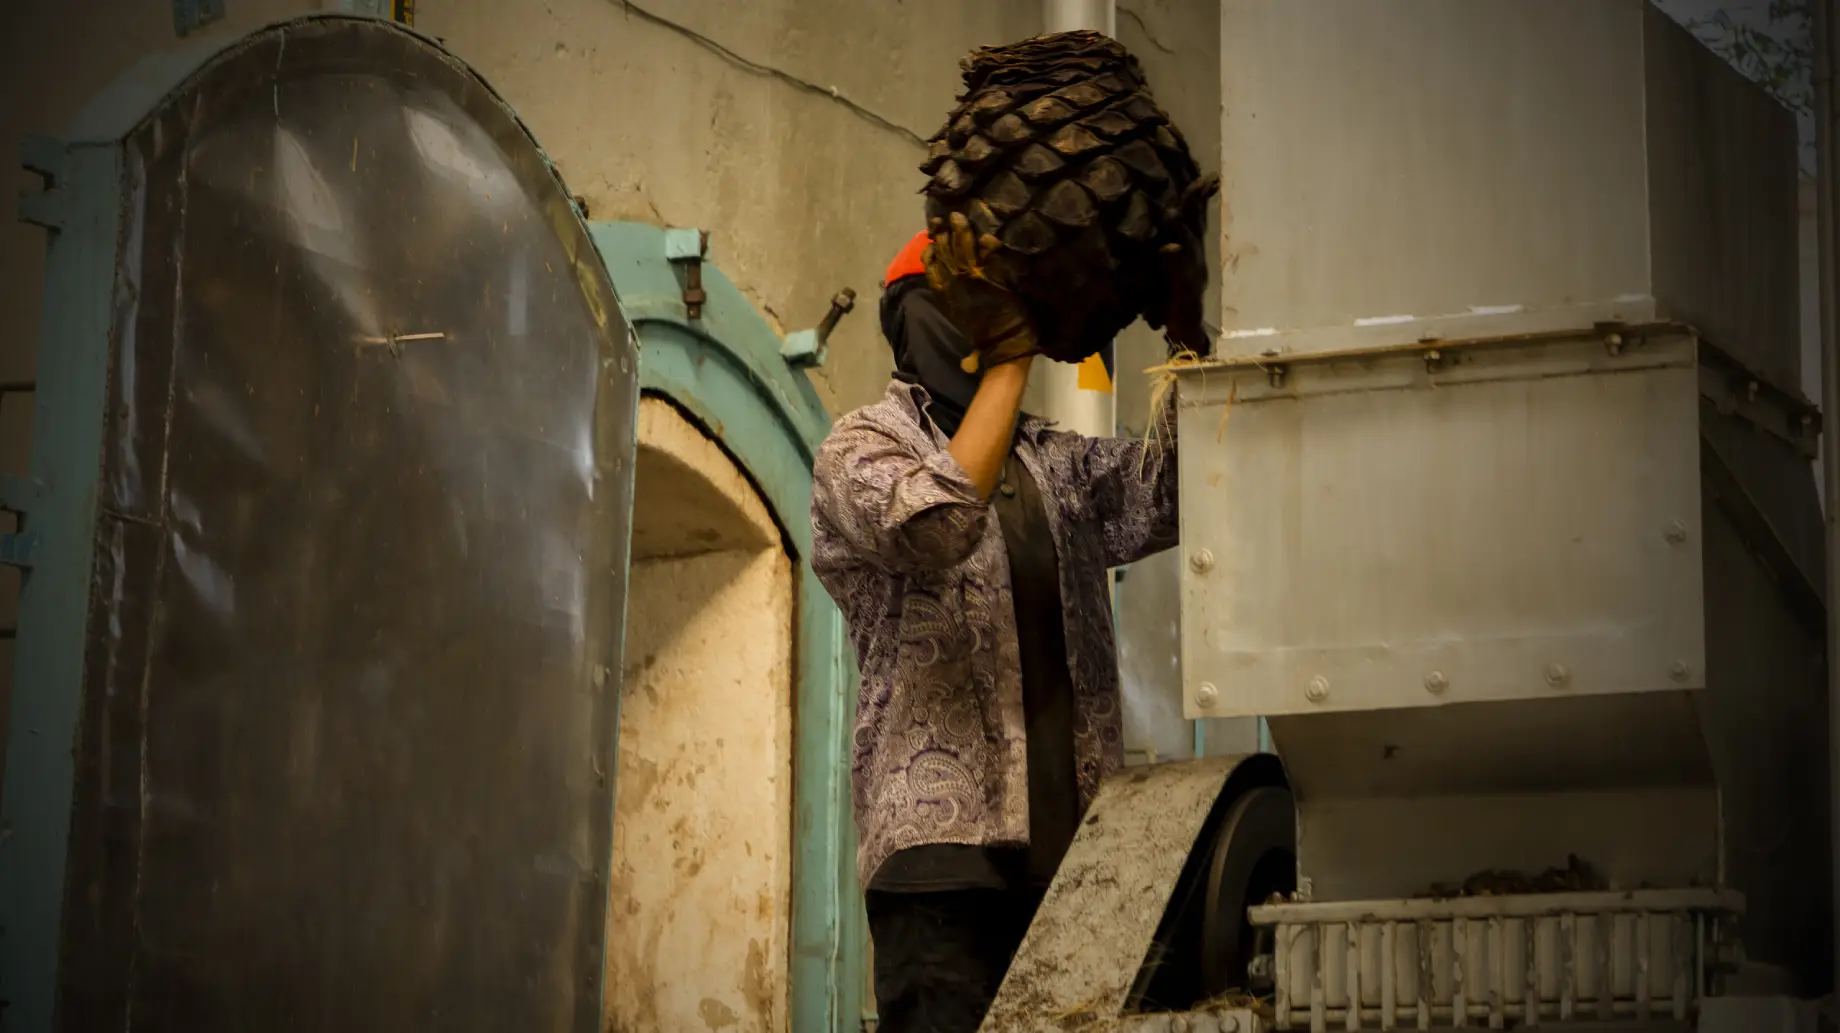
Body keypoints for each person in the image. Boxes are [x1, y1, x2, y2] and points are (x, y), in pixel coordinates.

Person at [808, 214, 1185, 1033]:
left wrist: (1188, 338)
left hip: (1079, 864)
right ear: (921, 318)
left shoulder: (1055, 459)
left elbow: (1182, 487)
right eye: (977, 307)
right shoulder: (861, 449)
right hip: (942, 874)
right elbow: (941, 522)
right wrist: (1012, 363)